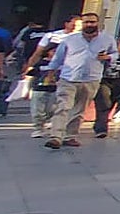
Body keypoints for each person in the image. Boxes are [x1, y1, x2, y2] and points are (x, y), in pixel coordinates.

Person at [43, 13, 115, 149]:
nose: (89, 25)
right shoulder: (70, 39)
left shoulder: (107, 39)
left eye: (92, 22)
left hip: (91, 79)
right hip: (69, 78)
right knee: (63, 106)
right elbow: (58, 58)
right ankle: (56, 137)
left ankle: (70, 136)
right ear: (82, 24)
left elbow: (115, 53)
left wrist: (108, 57)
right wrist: (50, 74)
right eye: (86, 22)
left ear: (98, 23)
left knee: (79, 109)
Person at [25, 46, 57, 139]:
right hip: (39, 89)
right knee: (37, 111)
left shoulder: (62, 63)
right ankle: (38, 129)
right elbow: (32, 77)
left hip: (54, 89)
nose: (55, 53)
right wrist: (28, 90)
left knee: (52, 110)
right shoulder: (40, 64)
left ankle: (53, 127)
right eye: (53, 51)